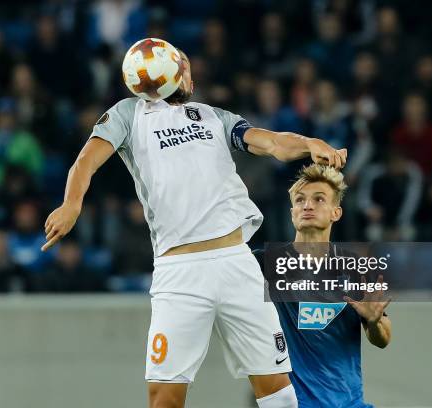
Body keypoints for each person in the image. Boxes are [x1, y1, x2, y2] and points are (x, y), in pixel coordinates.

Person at [41, 44, 347, 408]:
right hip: (180, 273)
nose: (192, 77)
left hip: (237, 263)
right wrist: (71, 204)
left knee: (278, 393)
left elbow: (271, 143)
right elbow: (85, 162)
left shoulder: (212, 116)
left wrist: (308, 143)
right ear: (172, 73)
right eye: (186, 69)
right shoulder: (127, 114)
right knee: (164, 398)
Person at [254, 164, 392, 408]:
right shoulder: (263, 263)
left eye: (319, 199)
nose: (307, 206)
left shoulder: (355, 268)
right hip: (295, 403)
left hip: (350, 402)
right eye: (300, 200)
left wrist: (374, 321)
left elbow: (383, 339)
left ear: (335, 212)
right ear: (292, 211)